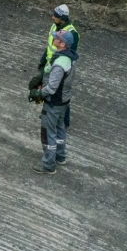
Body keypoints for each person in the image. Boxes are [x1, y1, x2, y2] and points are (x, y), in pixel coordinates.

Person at [28, 30, 77, 174]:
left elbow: (51, 88)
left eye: (56, 38)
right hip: (64, 101)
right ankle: (60, 156)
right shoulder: (69, 59)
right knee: (60, 128)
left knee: (48, 132)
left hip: (54, 103)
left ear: (62, 44)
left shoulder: (59, 65)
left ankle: (48, 165)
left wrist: (38, 93)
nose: (53, 39)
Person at [29, 5, 79, 129]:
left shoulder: (72, 33)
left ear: (61, 18)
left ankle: (64, 122)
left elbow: (68, 53)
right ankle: (49, 114)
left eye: (55, 16)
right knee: (48, 89)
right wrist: (43, 61)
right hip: (50, 63)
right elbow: (49, 46)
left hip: (60, 67)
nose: (52, 17)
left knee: (60, 95)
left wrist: (56, 67)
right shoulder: (55, 26)